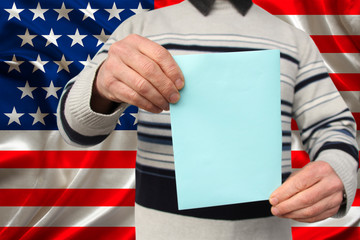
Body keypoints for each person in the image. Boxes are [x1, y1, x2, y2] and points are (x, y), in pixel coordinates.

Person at [57, 0, 359, 239]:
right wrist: (101, 85)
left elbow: (332, 124)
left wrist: (338, 170)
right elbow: (76, 129)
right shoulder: (140, 27)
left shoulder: (294, 40)